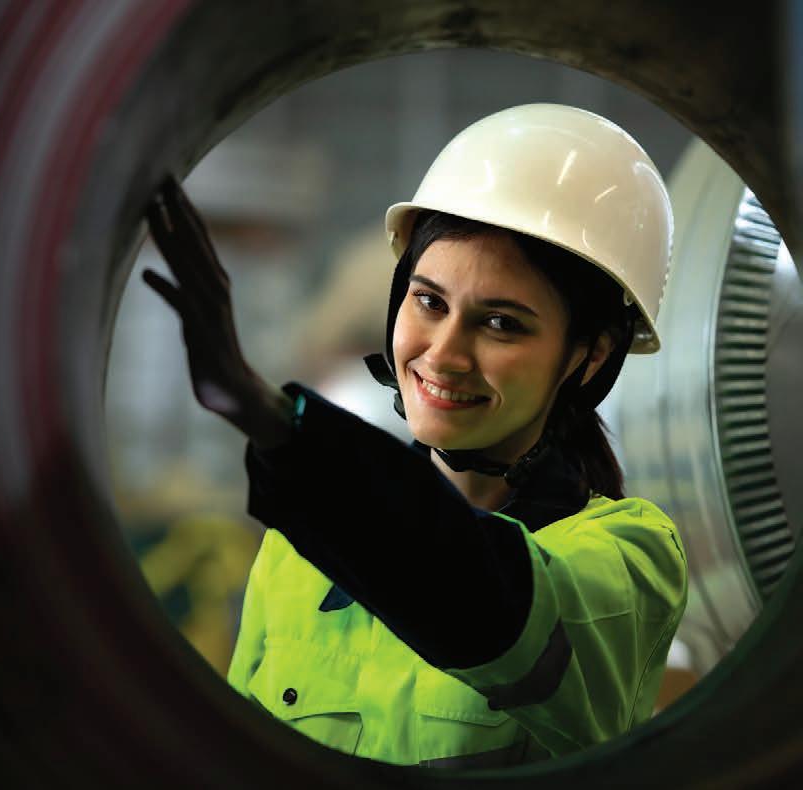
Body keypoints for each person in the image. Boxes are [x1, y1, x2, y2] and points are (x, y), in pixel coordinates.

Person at [141, 103, 688, 768]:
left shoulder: (630, 558)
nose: (444, 354)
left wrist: (272, 419)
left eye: (501, 323)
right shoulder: (301, 546)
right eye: (429, 301)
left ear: (589, 357)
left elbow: (478, 595)